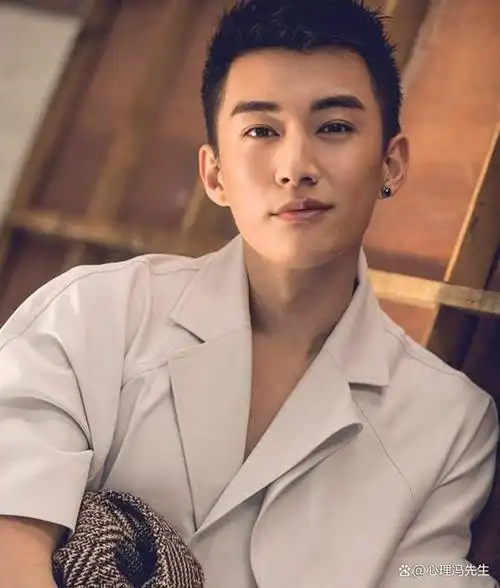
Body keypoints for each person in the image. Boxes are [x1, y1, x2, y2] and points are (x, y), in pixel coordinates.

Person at [0, 0, 498, 586]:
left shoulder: (450, 423)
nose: (295, 166)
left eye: (334, 127)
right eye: (261, 130)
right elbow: (11, 529)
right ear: (214, 174)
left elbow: (430, 574)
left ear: (391, 163)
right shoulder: (96, 312)